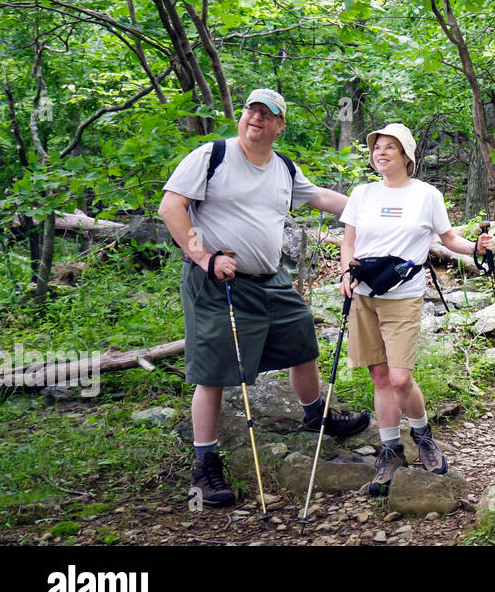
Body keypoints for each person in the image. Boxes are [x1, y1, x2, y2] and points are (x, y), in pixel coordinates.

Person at [158, 89, 370, 509]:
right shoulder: (212, 156)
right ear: (243, 117)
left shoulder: (283, 169)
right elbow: (171, 208)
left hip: (272, 279)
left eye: (267, 113)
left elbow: (324, 198)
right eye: (251, 109)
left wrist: (379, 206)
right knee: (214, 369)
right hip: (217, 280)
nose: (256, 117)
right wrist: (204, 257)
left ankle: (315, 413)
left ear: (278, 125)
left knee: (301, 337)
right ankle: (205, 463)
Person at [340, 122, 495, 496]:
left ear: (406, 156)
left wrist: (477, 247)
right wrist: (345, 273)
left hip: (404, 295)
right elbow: (349, 241)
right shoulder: (361, 193)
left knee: (399, 378)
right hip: (363, 294)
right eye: (377, 147)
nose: (381, 153)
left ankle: (423, 436)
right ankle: (391, 450)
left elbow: (449, 239)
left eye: (390, 148)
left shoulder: (427, 195)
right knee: (378, 378)